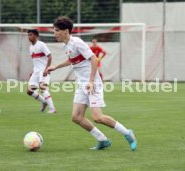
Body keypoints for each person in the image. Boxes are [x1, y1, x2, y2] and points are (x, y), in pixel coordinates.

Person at [47, 16, 137, 150]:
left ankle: (127, 133)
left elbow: (94, 59)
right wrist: (55, 66)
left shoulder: (77, 42)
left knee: (97, 117)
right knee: (76, 117)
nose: (55, 33)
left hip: (92, 82)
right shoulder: (67, 45)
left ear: (66, 31)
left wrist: (91, 81)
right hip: (81, 84)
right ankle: (103, 140)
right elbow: (73, 60)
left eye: (57, 30)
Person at [26, 29, 56, 113]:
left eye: (31, 35)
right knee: (29, 91)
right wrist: (33, 71)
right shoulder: (31, 47)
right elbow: (36, 61)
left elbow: (49, 56)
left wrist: (47, 69)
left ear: (36, 36)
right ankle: (44, 101)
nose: (29, 37)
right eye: (28, 35)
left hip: (43, 70)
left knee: (42, 87)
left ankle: (52, 109)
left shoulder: (41, 45)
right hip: (36, 71)